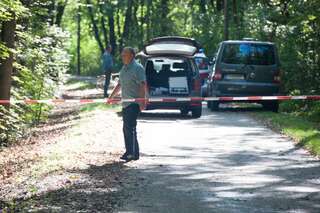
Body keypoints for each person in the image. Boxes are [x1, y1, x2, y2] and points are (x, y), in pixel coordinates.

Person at [112, 47, 147, 162]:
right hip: (125, 103)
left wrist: (142, 101)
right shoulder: (124, 68)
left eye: (124, 55)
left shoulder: (138, 68)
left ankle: (130, 153)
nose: (122, 57)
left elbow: (143, 85)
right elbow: (120, 84)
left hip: (134, 103)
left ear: (131, 55)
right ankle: (133, 153)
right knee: (128, 128)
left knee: (129, 127)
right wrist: (111, 97)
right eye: (122, 55)